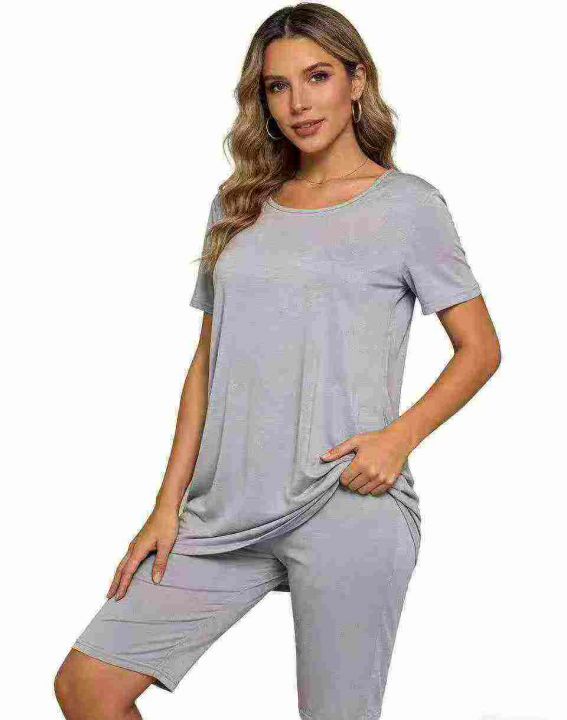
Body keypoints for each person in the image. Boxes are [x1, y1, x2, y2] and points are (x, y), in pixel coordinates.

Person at [55, 4, 501, 719]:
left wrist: (398, 438)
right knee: (88, 686)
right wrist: (165, 508)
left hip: (344, 501)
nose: (298, 103)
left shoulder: (408, 206)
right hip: (221, 511)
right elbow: (207, 363)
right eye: (277, 86)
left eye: (317, 77)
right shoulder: (239, 205)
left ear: (357, 81)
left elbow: (479, 348)